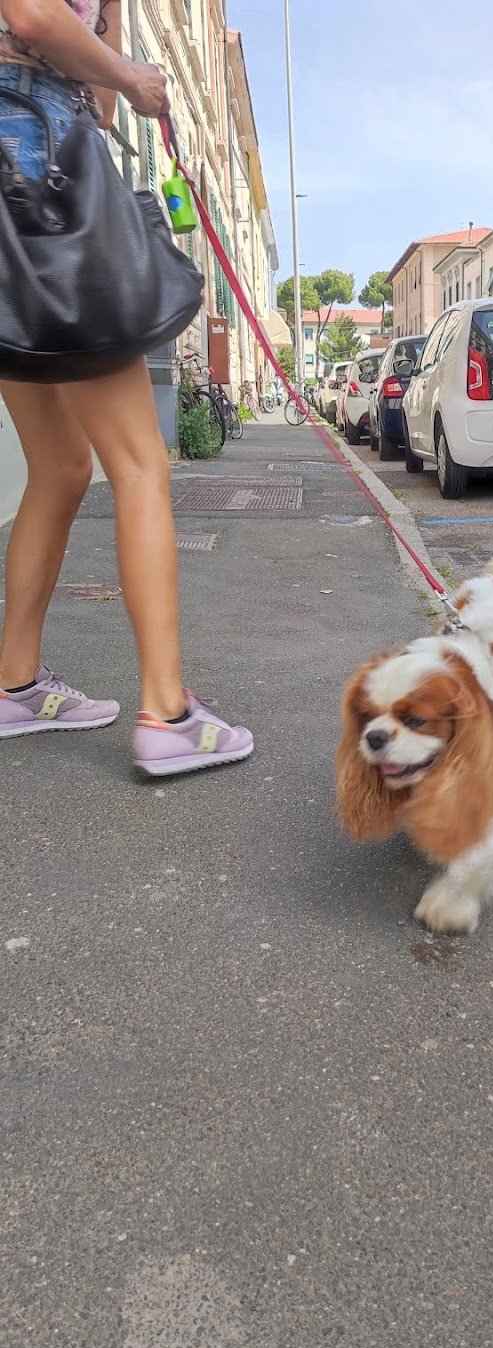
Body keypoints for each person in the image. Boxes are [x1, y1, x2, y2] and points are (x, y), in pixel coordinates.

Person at [0, 0, 253, 776]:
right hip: (42, 169)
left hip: (19, 185)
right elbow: (32, 15)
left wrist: (106, 27)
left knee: (60, 467)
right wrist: (131, 73)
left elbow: (102, 107)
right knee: (141, 465)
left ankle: (14, 685)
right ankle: (168, 713)